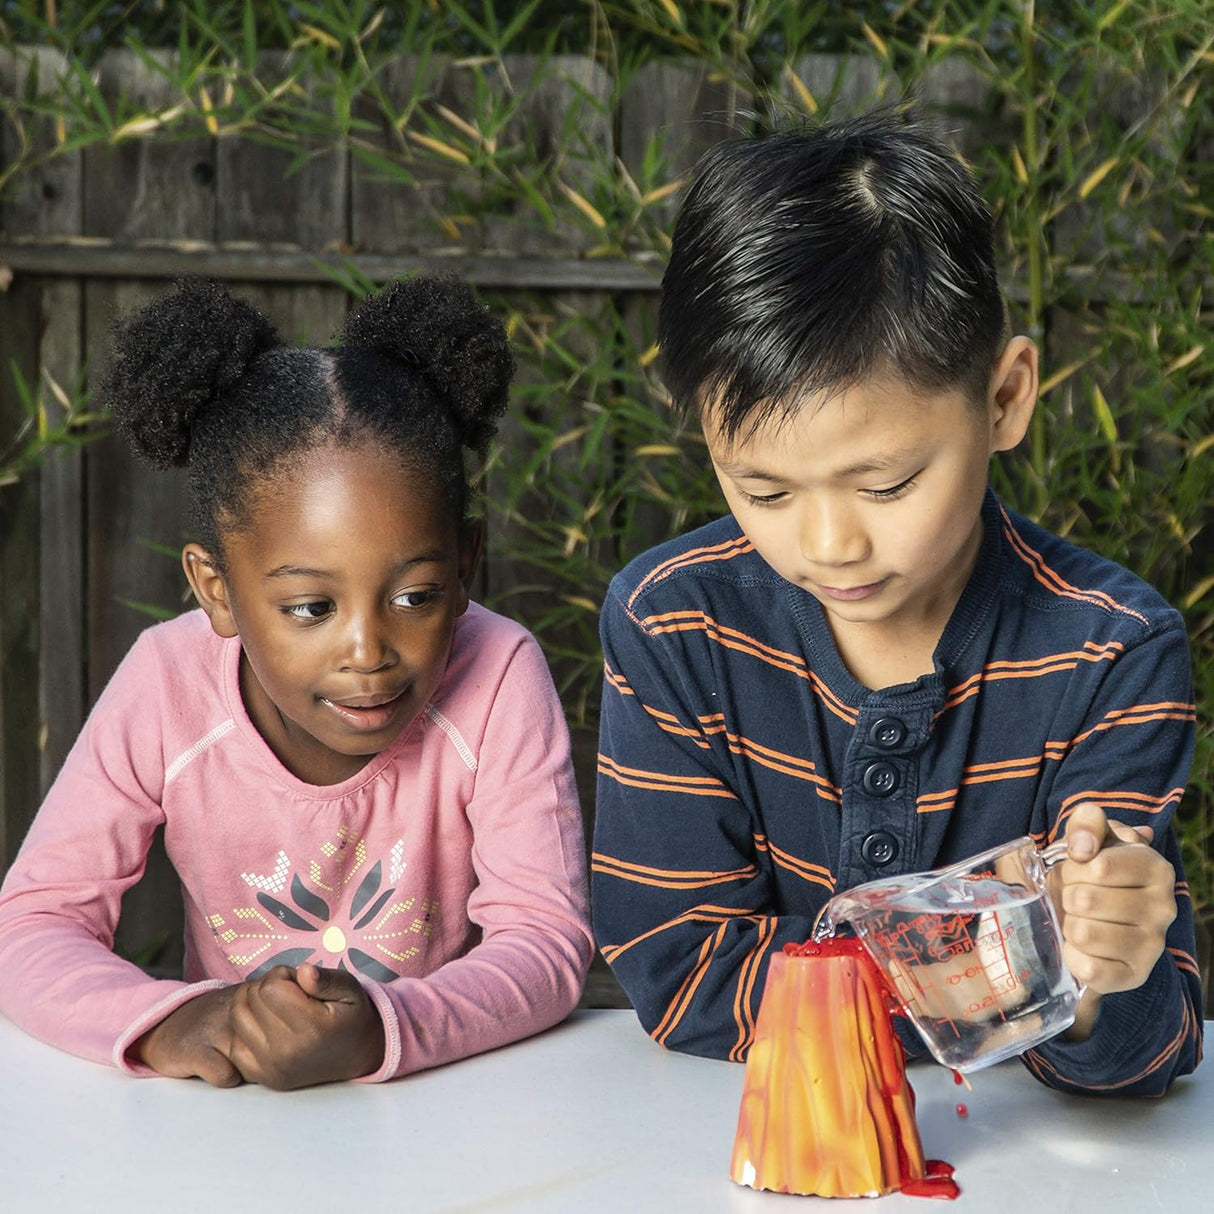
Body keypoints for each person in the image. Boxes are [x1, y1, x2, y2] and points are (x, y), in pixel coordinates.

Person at [591, 110, 1202, 1096]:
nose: (826, 544)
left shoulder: (1109, 648)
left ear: (1003, 398)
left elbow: (1140, 1051)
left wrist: (1096, 977)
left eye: (883, 485)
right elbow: (679, 968)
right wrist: (1000, 961)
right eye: (762, 490)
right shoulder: (673, 622)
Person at [0, 275, 593, 1089]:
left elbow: (546, 942)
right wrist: (179, 1021)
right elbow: (34, 924)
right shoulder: (167, 685)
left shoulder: (498, 676)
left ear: (465, 567)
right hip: (232, 1118)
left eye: (414, 596)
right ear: (218, 591)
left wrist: (383, 1029)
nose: (368, 650)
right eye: (311, 607)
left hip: (443, 1109)